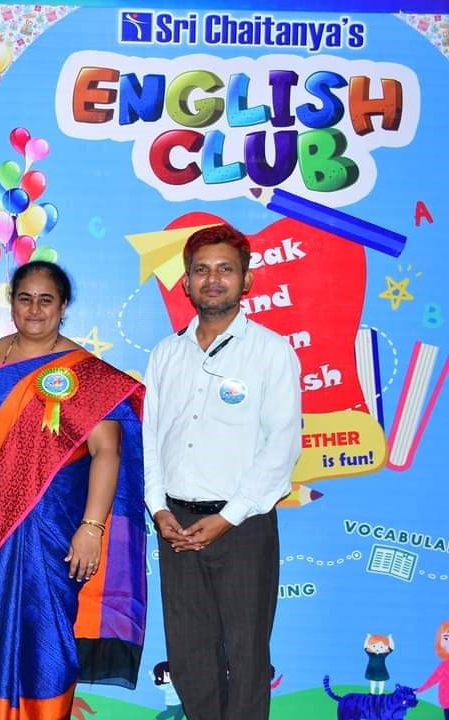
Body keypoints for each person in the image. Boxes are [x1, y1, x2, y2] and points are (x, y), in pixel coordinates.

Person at [0, 261, 147, 719]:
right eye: (25, 298)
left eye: (46, 300)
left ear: (63, 306)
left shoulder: (88, 374)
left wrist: (92, 528)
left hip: (52, 530)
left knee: (47, 635)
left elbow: (107, 451)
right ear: (11, 302)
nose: (34, 309)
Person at [143, 224, 301, 720]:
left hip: (243, 527)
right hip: (177, 527)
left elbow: (282, 446)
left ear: (245, 281)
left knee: (248, 655)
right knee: (189, 657)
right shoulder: (166, 354)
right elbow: (151, 440)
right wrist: (158, 508)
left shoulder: (271, 351)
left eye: (225, 270)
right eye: (201, 270)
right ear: (186, 282)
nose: (212, 280)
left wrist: (229, 517)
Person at [416, 620, 449, 720]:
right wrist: (420, 689)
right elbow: (433, 679)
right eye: (446, 638)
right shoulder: (443, 665)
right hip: (446, 702)